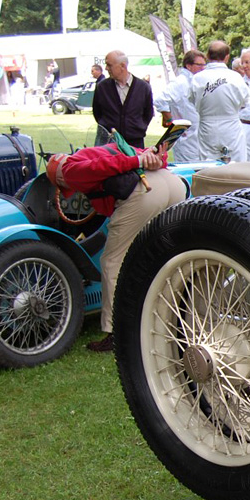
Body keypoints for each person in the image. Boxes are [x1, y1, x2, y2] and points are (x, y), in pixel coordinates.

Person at [45, 141, 186, 352]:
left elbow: (99, 168)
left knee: (112, 262)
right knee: (163, 256)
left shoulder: (69, 169)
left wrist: (136, 161)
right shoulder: (107, 147)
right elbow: (150, 158)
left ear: (59, 179)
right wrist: (146, 159)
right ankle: (177, 318)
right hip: (172, 185)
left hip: (145, 192)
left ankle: (115, 333)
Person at [189, 40, 250, 162]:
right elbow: (245, 101)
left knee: (208, 165)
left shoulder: (197, 79)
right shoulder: (235, 77)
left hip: (207, 127)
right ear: (227, 57)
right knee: (235, 164)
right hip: (231, 126)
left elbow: (192, 99)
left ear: (207, 56)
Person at [92, 51, 155, 148]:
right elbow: (97, 113)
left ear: (122, 66)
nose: (106, 68)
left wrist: (137, 128)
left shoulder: (143, 87)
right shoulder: (102, 87)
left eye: (109, 65)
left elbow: (148, 113)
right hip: (109, 145)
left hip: (135, 144)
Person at [153, 49, 207, 163]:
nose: (203, 68)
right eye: (199, 65)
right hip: (186, 139)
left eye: (204, 65)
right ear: (188, 66)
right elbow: (160, 100)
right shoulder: (180, 82)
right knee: (189, 171)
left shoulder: (197, 82)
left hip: (198, 137)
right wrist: (170, 120)